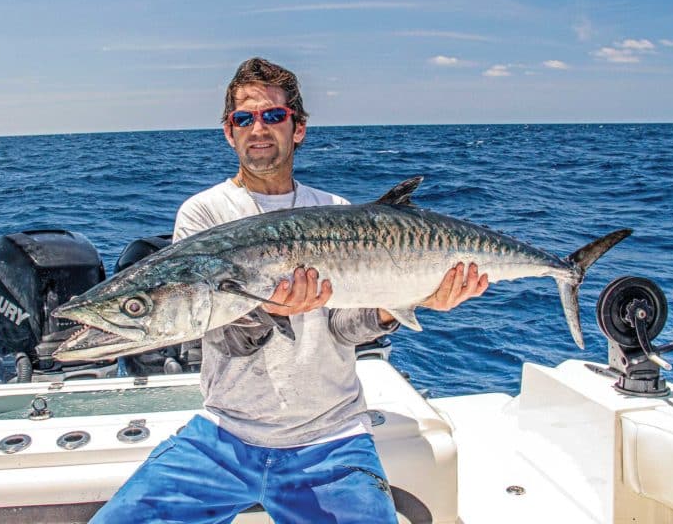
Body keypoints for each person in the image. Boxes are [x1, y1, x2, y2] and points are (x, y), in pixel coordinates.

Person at [90, 58, 488, 523]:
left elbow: (343, 328)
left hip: (333, 437)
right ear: (229, 132)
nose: (258, 128)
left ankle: (561, 270)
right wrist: (268, 310)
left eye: (273, 116)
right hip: (226, 436)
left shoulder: (336, 210)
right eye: (244, 118)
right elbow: (225, 335)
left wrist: (405, 304)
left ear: (297, 128)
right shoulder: (204, 214)